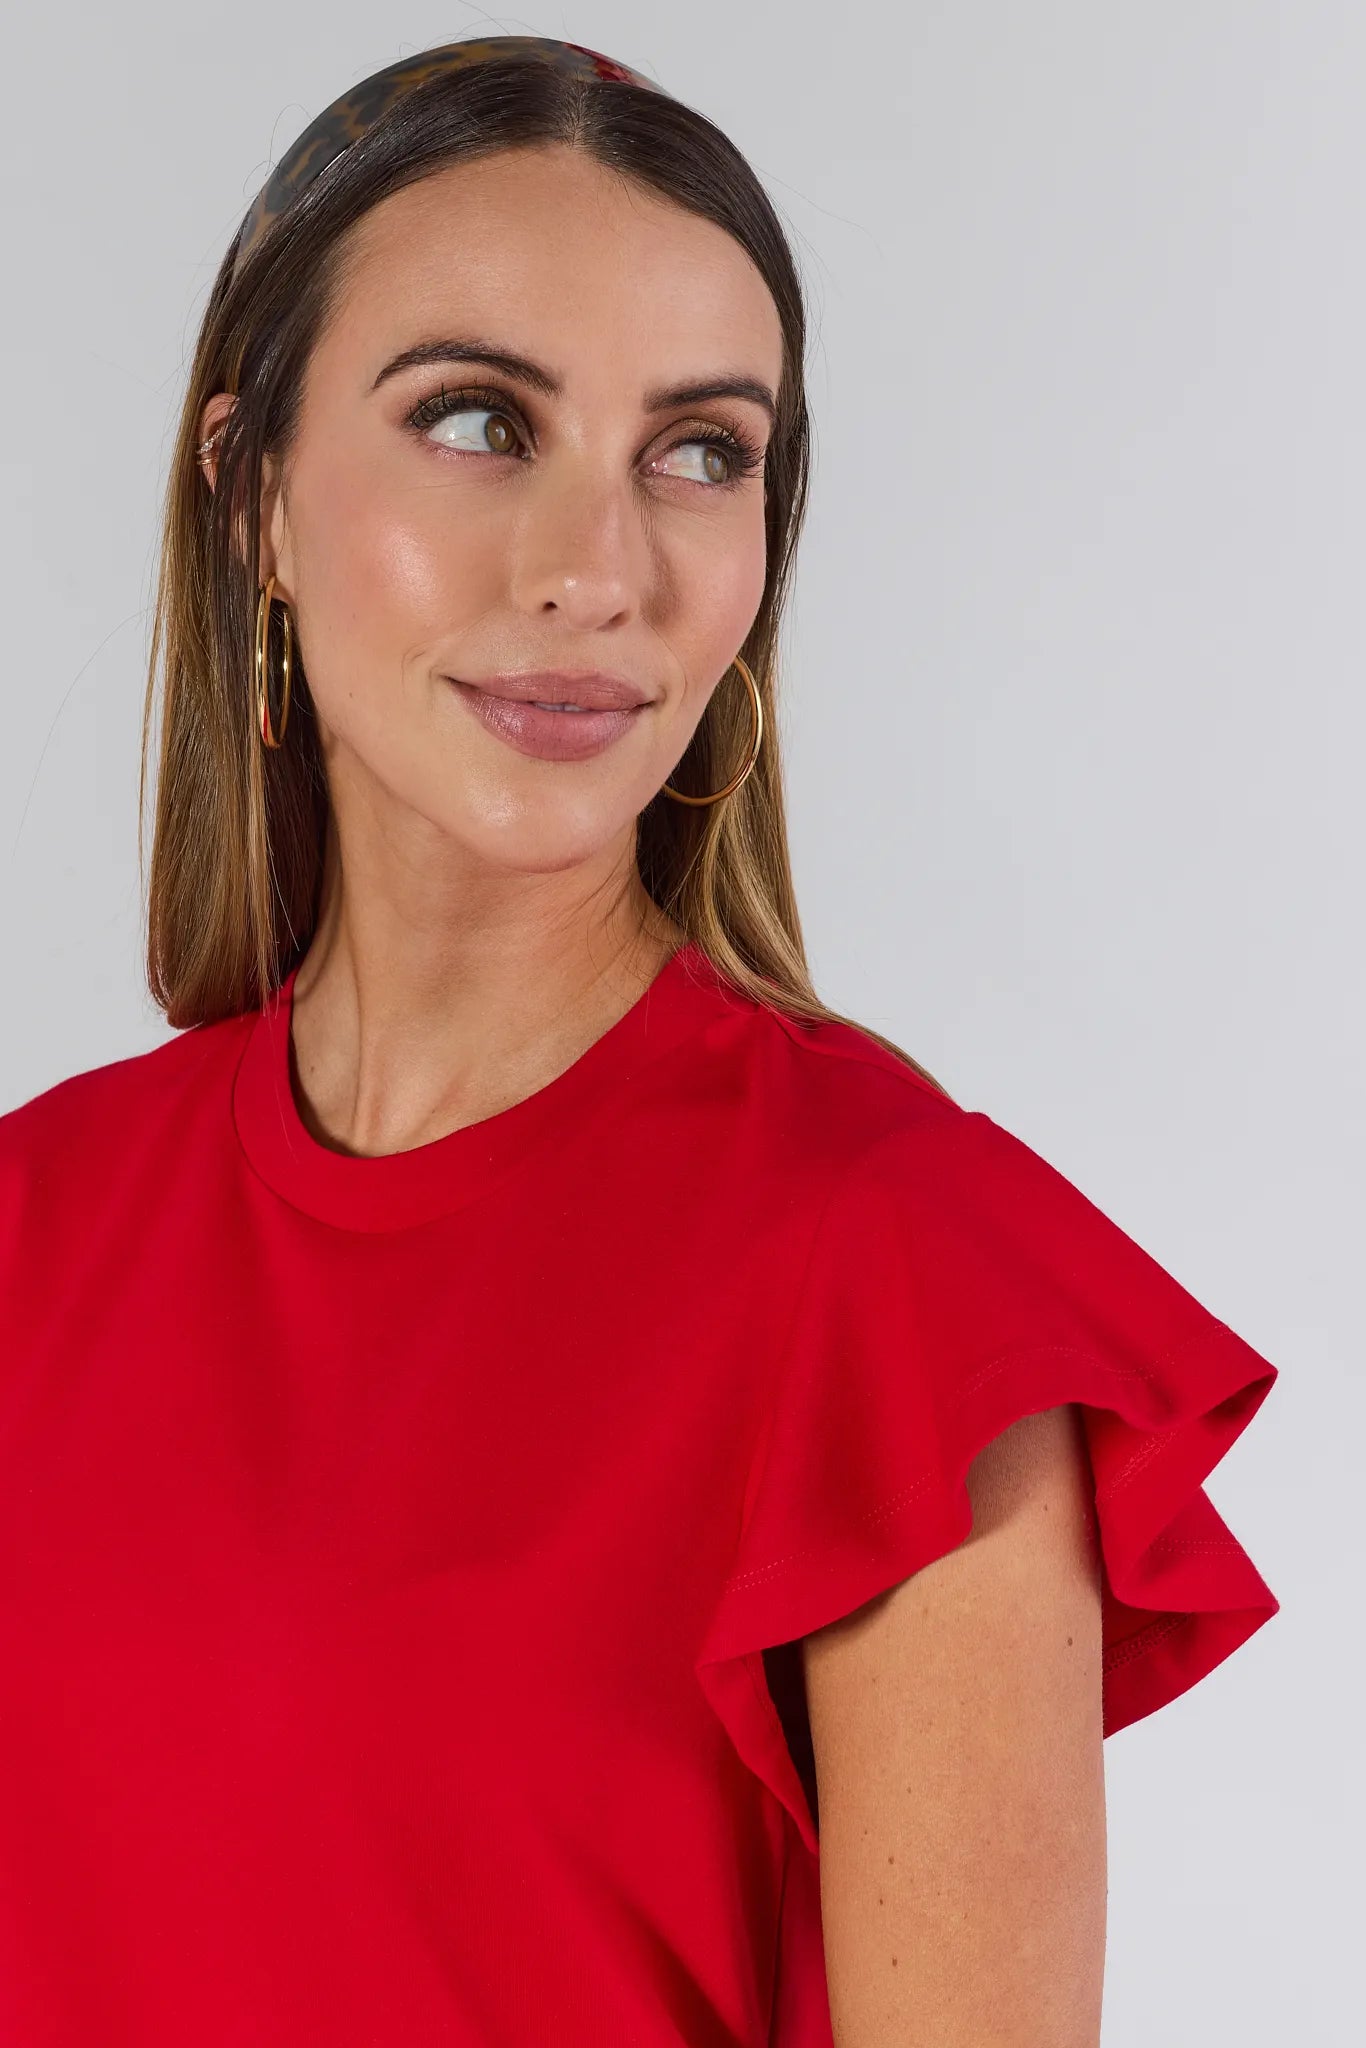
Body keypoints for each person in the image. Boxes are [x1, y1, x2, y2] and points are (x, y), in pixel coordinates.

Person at [0, 35, 1279, 2048]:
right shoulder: (36, 1223)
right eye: (477, 420)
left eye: (698, 452)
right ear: (250, 494)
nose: (596, 572)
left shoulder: (898, 1286)